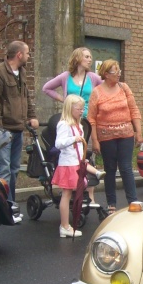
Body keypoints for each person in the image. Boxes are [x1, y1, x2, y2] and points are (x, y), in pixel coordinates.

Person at [0, 41, 39, 222]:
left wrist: (31, 116)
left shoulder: (21, 73)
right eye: (28, 53)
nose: (29, 56)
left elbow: (26, 97)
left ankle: (12, 204)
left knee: (14, 169)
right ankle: (2, 208)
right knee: (3, 169)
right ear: (19, 55)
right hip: (4, 130)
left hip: (18, 128)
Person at [42, 47, 103, 207]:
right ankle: (71, 189)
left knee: (87, 156)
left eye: (91, 56)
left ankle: (90, 197)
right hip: (70, 120)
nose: (90, 59)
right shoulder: (65, 77)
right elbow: (46, 88)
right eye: (87, 56)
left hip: (86, 121)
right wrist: (64, 100)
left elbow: (105, 89)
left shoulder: (93, 77)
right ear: (78, 58)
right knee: (71, 154)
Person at [87, 60, 142, 212]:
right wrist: (95, 140)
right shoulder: (97, 92)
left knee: (126, 168)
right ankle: (111, 204)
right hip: (106, 136)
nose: (118, 74)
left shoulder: (124, 88)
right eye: (114, 72)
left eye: (119, 72)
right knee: (110, 169)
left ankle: (133, 201)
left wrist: (139, 132)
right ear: (105, 74)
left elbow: (134, 110)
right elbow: (91, 118)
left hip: (126, 134)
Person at [52, 95, 104, 238]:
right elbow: (58, 143)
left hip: (75, 161)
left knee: (72, 193)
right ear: (70, 108)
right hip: (67, 163)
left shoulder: (79, 125)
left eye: (83, 109)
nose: (82, 111)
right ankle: (64, 226)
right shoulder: (64, 124)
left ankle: (67, 224)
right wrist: (72, 139)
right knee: (67, 194)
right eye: (79, 109)